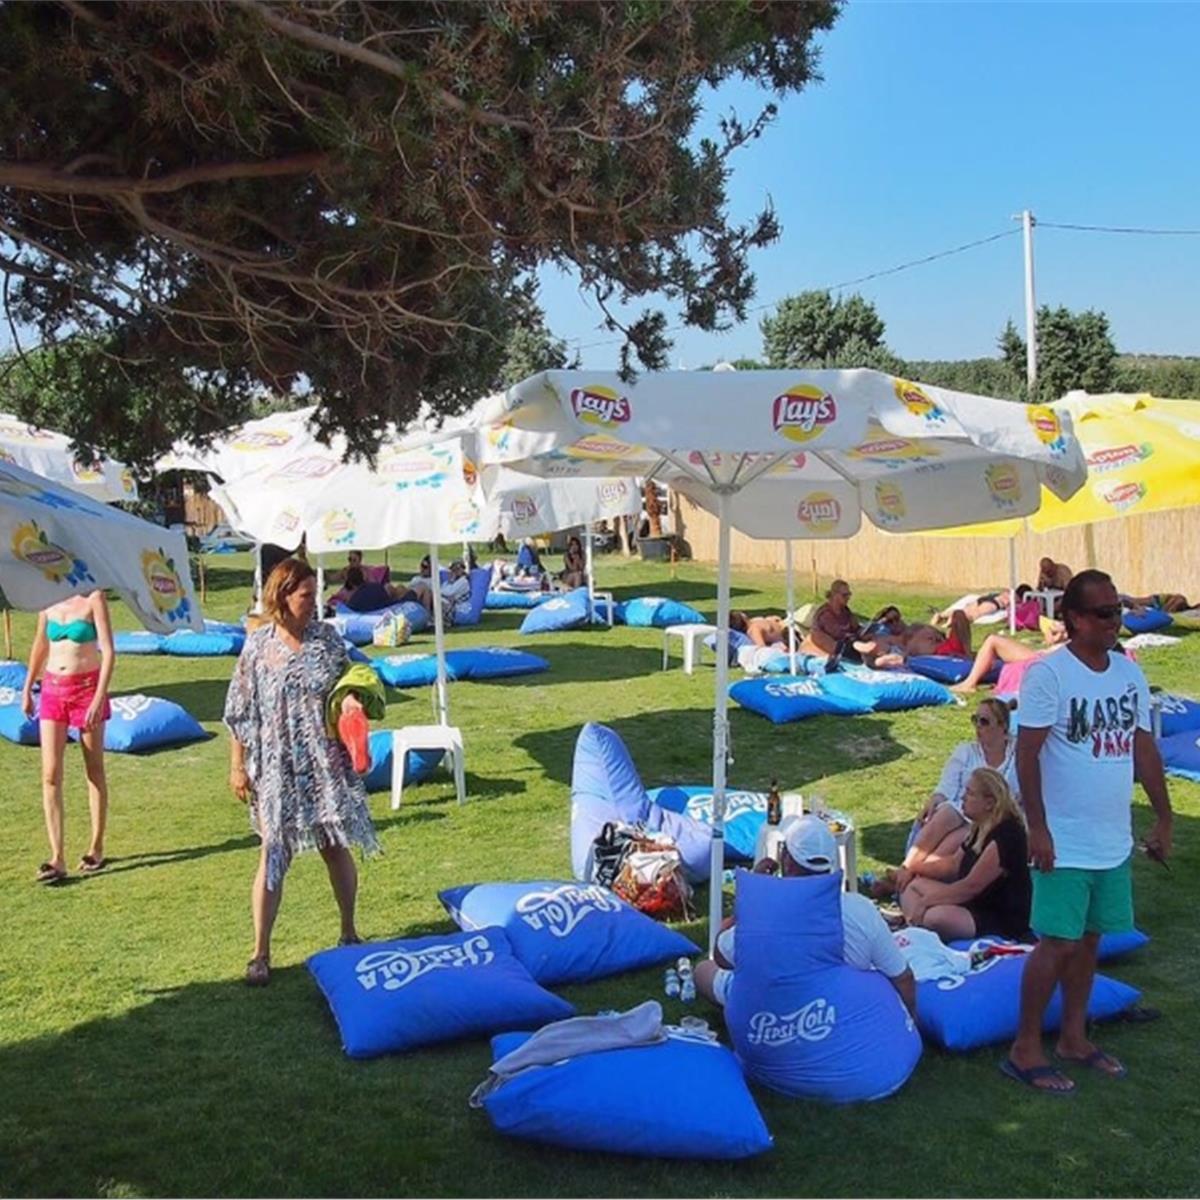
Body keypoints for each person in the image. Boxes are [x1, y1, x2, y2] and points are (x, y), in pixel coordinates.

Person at [1001, 569, 1172, 1094]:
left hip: (1111, 837)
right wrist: (1039, 829)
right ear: (1073, 619)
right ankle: (1024, 1046)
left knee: (1091, 940)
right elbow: (1026, 756)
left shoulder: (1128, 673)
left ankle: (1074, 1036)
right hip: (1064, 839)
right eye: (1103, 613)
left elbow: (1143, 746)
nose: (1115, 620)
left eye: (1118, 610)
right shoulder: (1048, 676)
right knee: (1056, 942)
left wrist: (1163, 816)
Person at [224, 557, 380, 987]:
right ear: (282, 595)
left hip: (322, 762)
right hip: (276, 766)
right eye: (305, 595)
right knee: (274, 854)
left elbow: (354, 681)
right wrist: (238, 766)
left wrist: (352, 700)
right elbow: (239, 710)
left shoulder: (327, 641)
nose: (313, 603)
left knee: (335, 845)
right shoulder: (257, 647)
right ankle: (260, 952)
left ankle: (349, 931)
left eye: (315, 595)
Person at [695, 815, 917, 1017]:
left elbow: (721, 957)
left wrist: (750, 900)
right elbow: (902, 977)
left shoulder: (763, 911)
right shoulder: (861, 910)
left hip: (772, 1019)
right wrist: (910, 1027)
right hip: (836, 1014)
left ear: (786, 860)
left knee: (703, 970)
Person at [875, 698, 1020, 897]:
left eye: (984, 722)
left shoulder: (1017, 755)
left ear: (1003, 726)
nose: (978, 727)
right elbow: (946, 787)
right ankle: (907, 870)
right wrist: (936, 798)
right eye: (975, 720)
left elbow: (1014, 796)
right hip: (962, 809)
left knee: (955, 839)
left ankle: (908, 879)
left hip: (990, 818)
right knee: (943, 813)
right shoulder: (966, 751)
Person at [21, 591, 115, 883]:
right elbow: (41, 645)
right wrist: (27, 688)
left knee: (93, 768)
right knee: (50, 774)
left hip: (86, 688)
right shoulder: (46, 600)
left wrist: (99, 697)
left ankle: (96, 846)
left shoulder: (93, 599)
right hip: (52, 690)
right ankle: (56, 856)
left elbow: (109, 652)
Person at [897, 767, 1032, 941]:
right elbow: (953, 865)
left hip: (997, 914)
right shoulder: (980, 826)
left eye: (970, 793)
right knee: (911, 886)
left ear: (989, 803)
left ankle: (918, 930)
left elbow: (970, 887)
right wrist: (912, 868)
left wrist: (926, 902)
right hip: (972, 902)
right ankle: (916, 930)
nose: (963, 797)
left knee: (935, 916)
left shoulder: (1007, 834)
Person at [799, 580, 905, 668]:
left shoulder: (845, 611)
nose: (848, 597)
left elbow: (854, 627)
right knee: (868, 646)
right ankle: (879, 659)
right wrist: (857, 636)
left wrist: (863, 632)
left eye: (849, 594)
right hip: (838, 647)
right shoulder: (825, 614)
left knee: (879, 639)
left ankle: (883, 658)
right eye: (845, 595)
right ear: (835, 595)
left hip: (850, 643)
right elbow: (838, 635)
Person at [949, 625, 1068, 695]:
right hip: (1049, 656)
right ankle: (971, 680)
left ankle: (969, 684)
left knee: (992, 640)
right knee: (992, 640)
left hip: (1048, 659)